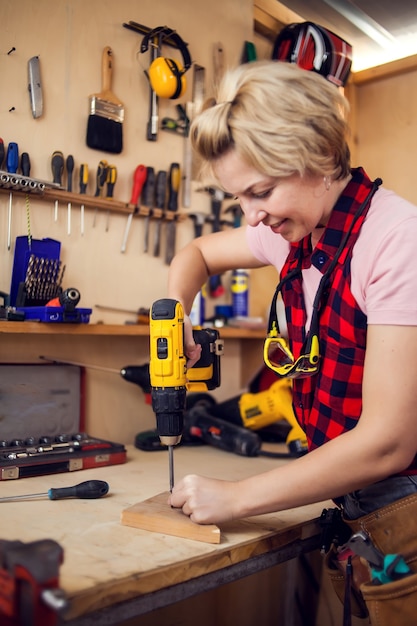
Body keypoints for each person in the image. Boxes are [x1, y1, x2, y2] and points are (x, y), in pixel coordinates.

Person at [167, 60, 417, 623]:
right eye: (239, 201)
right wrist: (174, 313)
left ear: (321, 157)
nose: (253, 216)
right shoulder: (294, 232)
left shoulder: (397, 240)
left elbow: (388, 444)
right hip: (358, 508)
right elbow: (197, 255)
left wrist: (237, 497)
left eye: (261, 191)